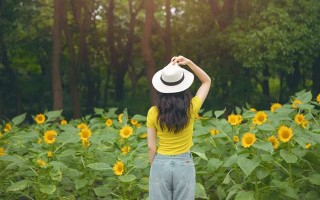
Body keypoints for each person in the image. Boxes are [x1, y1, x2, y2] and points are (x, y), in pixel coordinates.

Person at [147, 55, 211, 200]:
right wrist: (189, 63)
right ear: (184, 86)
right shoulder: (191, 108)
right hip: (185, 164)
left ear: (161, 88)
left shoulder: (153, 112)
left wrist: (154, 167)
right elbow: (206, 81)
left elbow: (151, 147)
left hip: (160, 163)